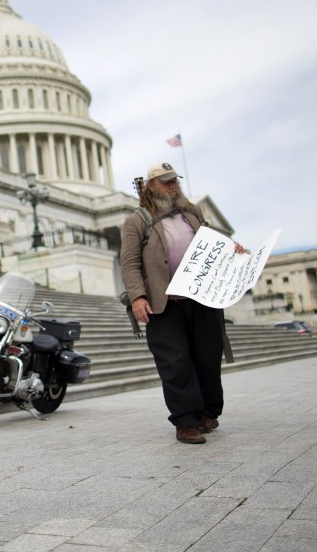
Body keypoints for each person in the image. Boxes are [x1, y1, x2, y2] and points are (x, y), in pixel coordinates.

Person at [120, 162, 245, 445]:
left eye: (174, 180)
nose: (172, 185)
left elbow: (212, 245)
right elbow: (128, 262)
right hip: (165, 305)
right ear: (152, 186)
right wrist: (138, 296)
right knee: (175, 364)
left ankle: (208, 414)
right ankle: (186, 421)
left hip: (203, 300)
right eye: (166, 181)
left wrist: (232, 248)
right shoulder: (138, 220)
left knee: (207, 359)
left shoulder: (193, 213)